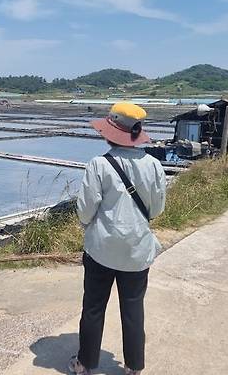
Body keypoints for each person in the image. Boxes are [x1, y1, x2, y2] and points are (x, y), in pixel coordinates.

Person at [68, 103, 167, 375]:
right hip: (137, 249)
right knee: (133, 310)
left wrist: (91, 226)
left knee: (93, 308)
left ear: (110, 133)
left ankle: (85, 364)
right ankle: (134, 367)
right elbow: (157, 209)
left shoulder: (99, 164)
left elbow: (86, 209)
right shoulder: (155, 165)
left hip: (101, 249)